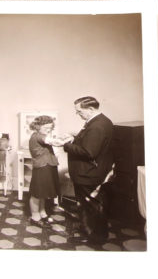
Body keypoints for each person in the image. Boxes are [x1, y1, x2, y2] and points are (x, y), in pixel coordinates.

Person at [61, 96, 114, 243]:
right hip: (93, 171)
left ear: (90, 109)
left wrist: (65, 145)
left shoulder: (96, 126)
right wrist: (75, 137)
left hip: (88, 173)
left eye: (79, 111)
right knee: (91, 204)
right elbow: (91, 143)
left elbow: (88, 152)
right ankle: (89, 231)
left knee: (91, 205)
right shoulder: (101, 121)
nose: (77, 114)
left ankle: (96, 237)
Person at [28, 115, 70, 226]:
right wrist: (66, 140)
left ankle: (42, 213)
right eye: (46, 127)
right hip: (42, 167)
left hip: (48, 165)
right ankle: (35, 217)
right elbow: (53, 142)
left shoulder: (42, 135)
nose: (49, 129)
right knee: (37, 192)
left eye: (50, 127)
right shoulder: (37, 136)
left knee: (44, 192)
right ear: (37, 126)